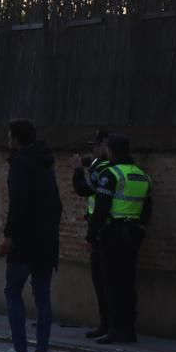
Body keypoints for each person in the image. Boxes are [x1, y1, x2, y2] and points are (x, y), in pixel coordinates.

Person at [0, 119, 62, 352]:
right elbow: (56, 205)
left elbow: (18, 205)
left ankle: (20, 350)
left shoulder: (20, 164)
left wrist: (9, 237)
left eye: (10, 137)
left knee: (13, 292)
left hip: (26, 241)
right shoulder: (46, 164)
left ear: (17, 139)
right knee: (43, 297)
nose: (8, 142)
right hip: (47, 241)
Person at [88, 134, 152, 345]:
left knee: (112, 284)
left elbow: (101, 208)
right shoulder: (142, 175)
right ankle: (128, 328)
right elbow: (147, 208)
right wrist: (140, 227)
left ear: (112, 151)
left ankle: (116, 329)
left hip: (114, 233)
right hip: (133, 234)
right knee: (127, 283)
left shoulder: (111, 174)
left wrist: (91, 234)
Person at [70, 129, 113, 339]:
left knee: (103, 280)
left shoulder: (103, 169)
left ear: (106, 145)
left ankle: (107, 325)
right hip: (116, 230)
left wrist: (78, 170)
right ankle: (115, 325)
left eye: (97, 146)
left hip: (102, 231)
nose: (93, 150)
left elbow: (83, 189)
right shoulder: (114, 166)